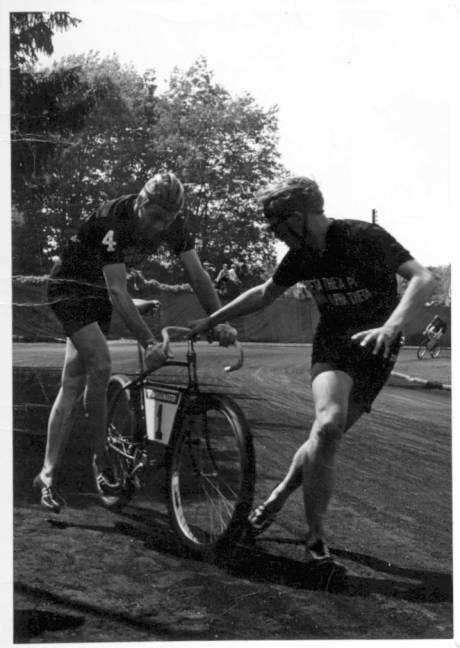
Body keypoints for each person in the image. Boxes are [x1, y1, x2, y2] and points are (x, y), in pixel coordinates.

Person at [189, 175, 434, 565]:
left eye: (277, 226)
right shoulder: (301, 256)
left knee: (323, 439)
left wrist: (392, 325)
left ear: (299, 217)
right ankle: (316, 537)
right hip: (335, 343)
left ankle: (277, 496)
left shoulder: (363, 236)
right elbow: (265, 292)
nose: (275, 235)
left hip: (378, 348)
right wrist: (210, 319)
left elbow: (424, 278)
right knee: (328, 425)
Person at [35, 172, 237, 513]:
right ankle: (102, 465)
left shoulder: (175, 226)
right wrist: (148, 343)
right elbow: (117, 290)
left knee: (72, 383)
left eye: (168, 220)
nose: (160, 228)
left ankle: (47, 474)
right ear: (141, 202)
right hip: (70, 288)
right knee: (101, 365)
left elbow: (197, 274)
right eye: (155, 217)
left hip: (97, 293)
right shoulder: (114, 219)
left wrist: (220, 320)